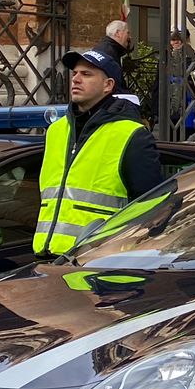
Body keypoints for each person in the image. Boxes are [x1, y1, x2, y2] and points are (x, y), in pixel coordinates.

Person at [34, 46, 164, 256]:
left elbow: (151, 208)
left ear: (108, 85)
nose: (76, 79)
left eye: (86, 74)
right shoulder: (55, 131)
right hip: (46, 257)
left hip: (98, 261)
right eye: (75, 73)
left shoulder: (131, 134)